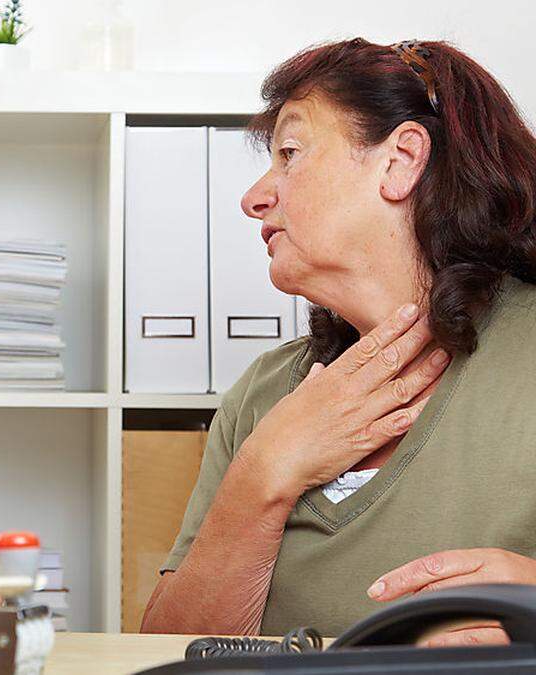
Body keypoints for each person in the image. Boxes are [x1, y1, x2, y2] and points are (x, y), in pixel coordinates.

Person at [142, 38, 536, 646]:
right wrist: (264, 473)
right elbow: (168, 646)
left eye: (290, 154)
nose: (253, 199)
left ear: (401, 160)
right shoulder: (263, 392)